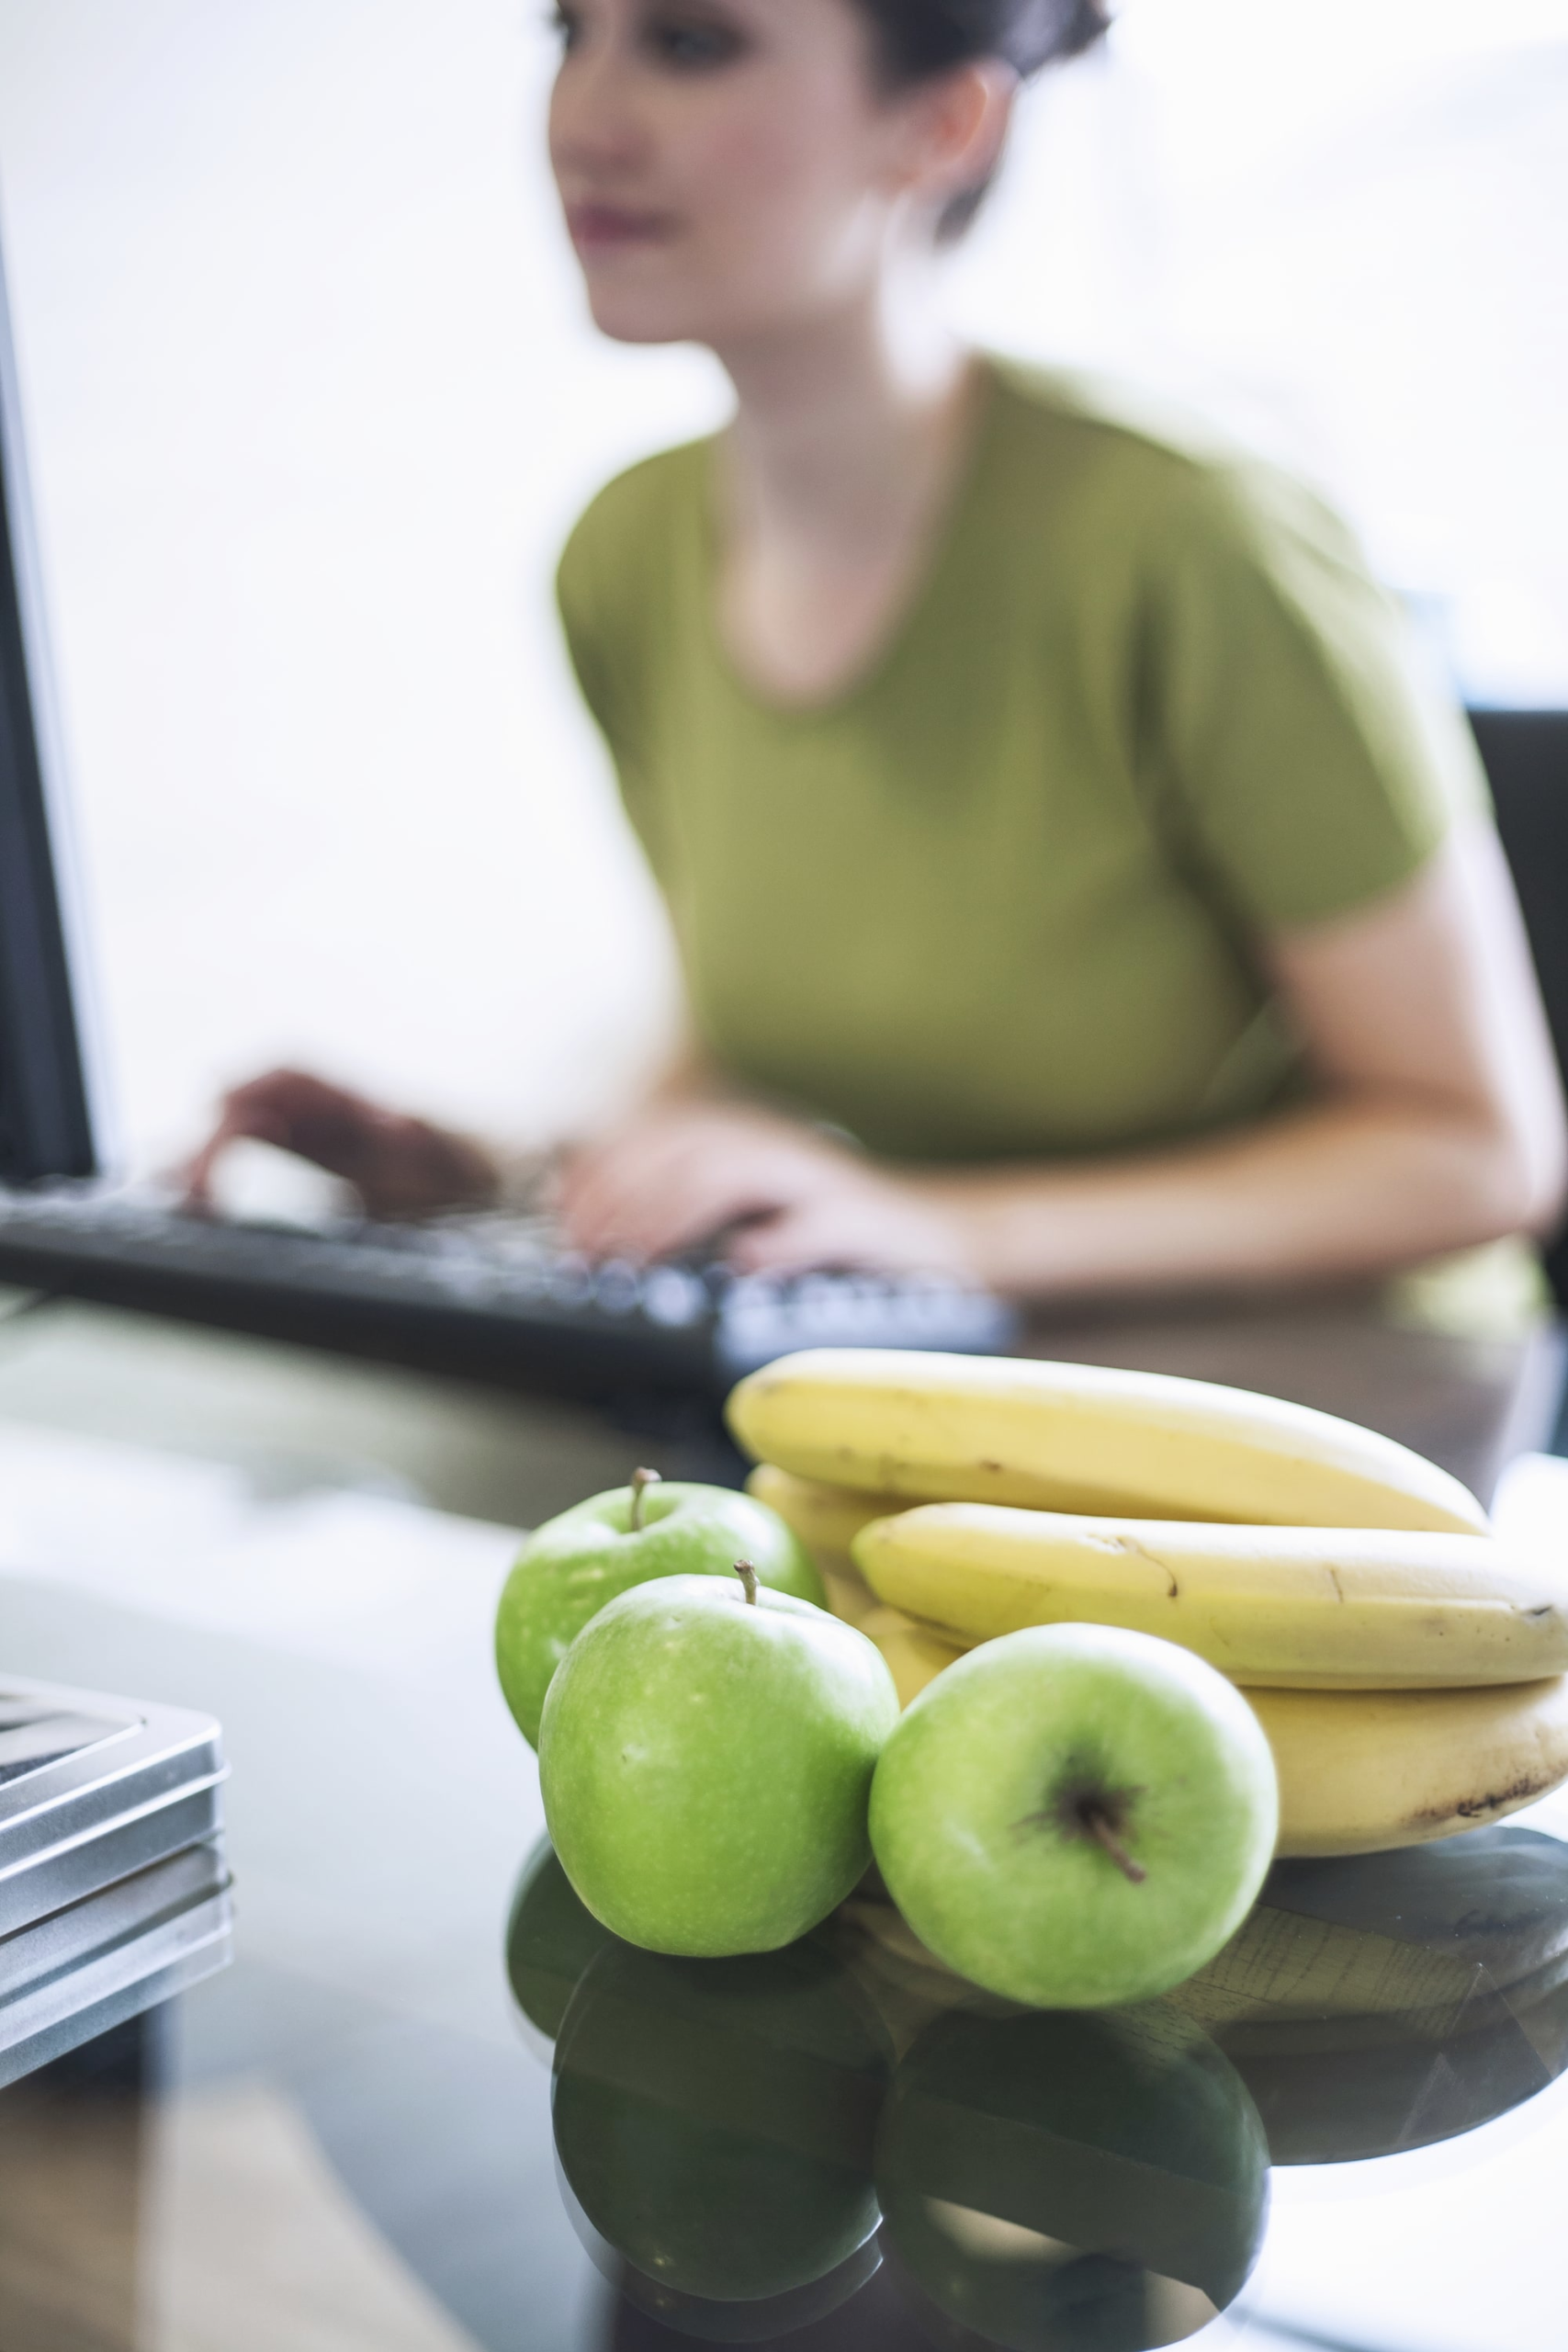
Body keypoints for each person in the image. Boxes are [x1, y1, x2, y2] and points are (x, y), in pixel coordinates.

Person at [186, 0, 1566, 1308]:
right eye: (569, 31)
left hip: (1330, 1408)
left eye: (688, 41)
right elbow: (751, 1050)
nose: (581, 120)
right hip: (941, 1374)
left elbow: (1476, 1153)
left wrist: (940, 1232)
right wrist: (488, 1184)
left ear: (945, 124)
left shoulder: (1192, 539)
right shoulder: (623, 554)